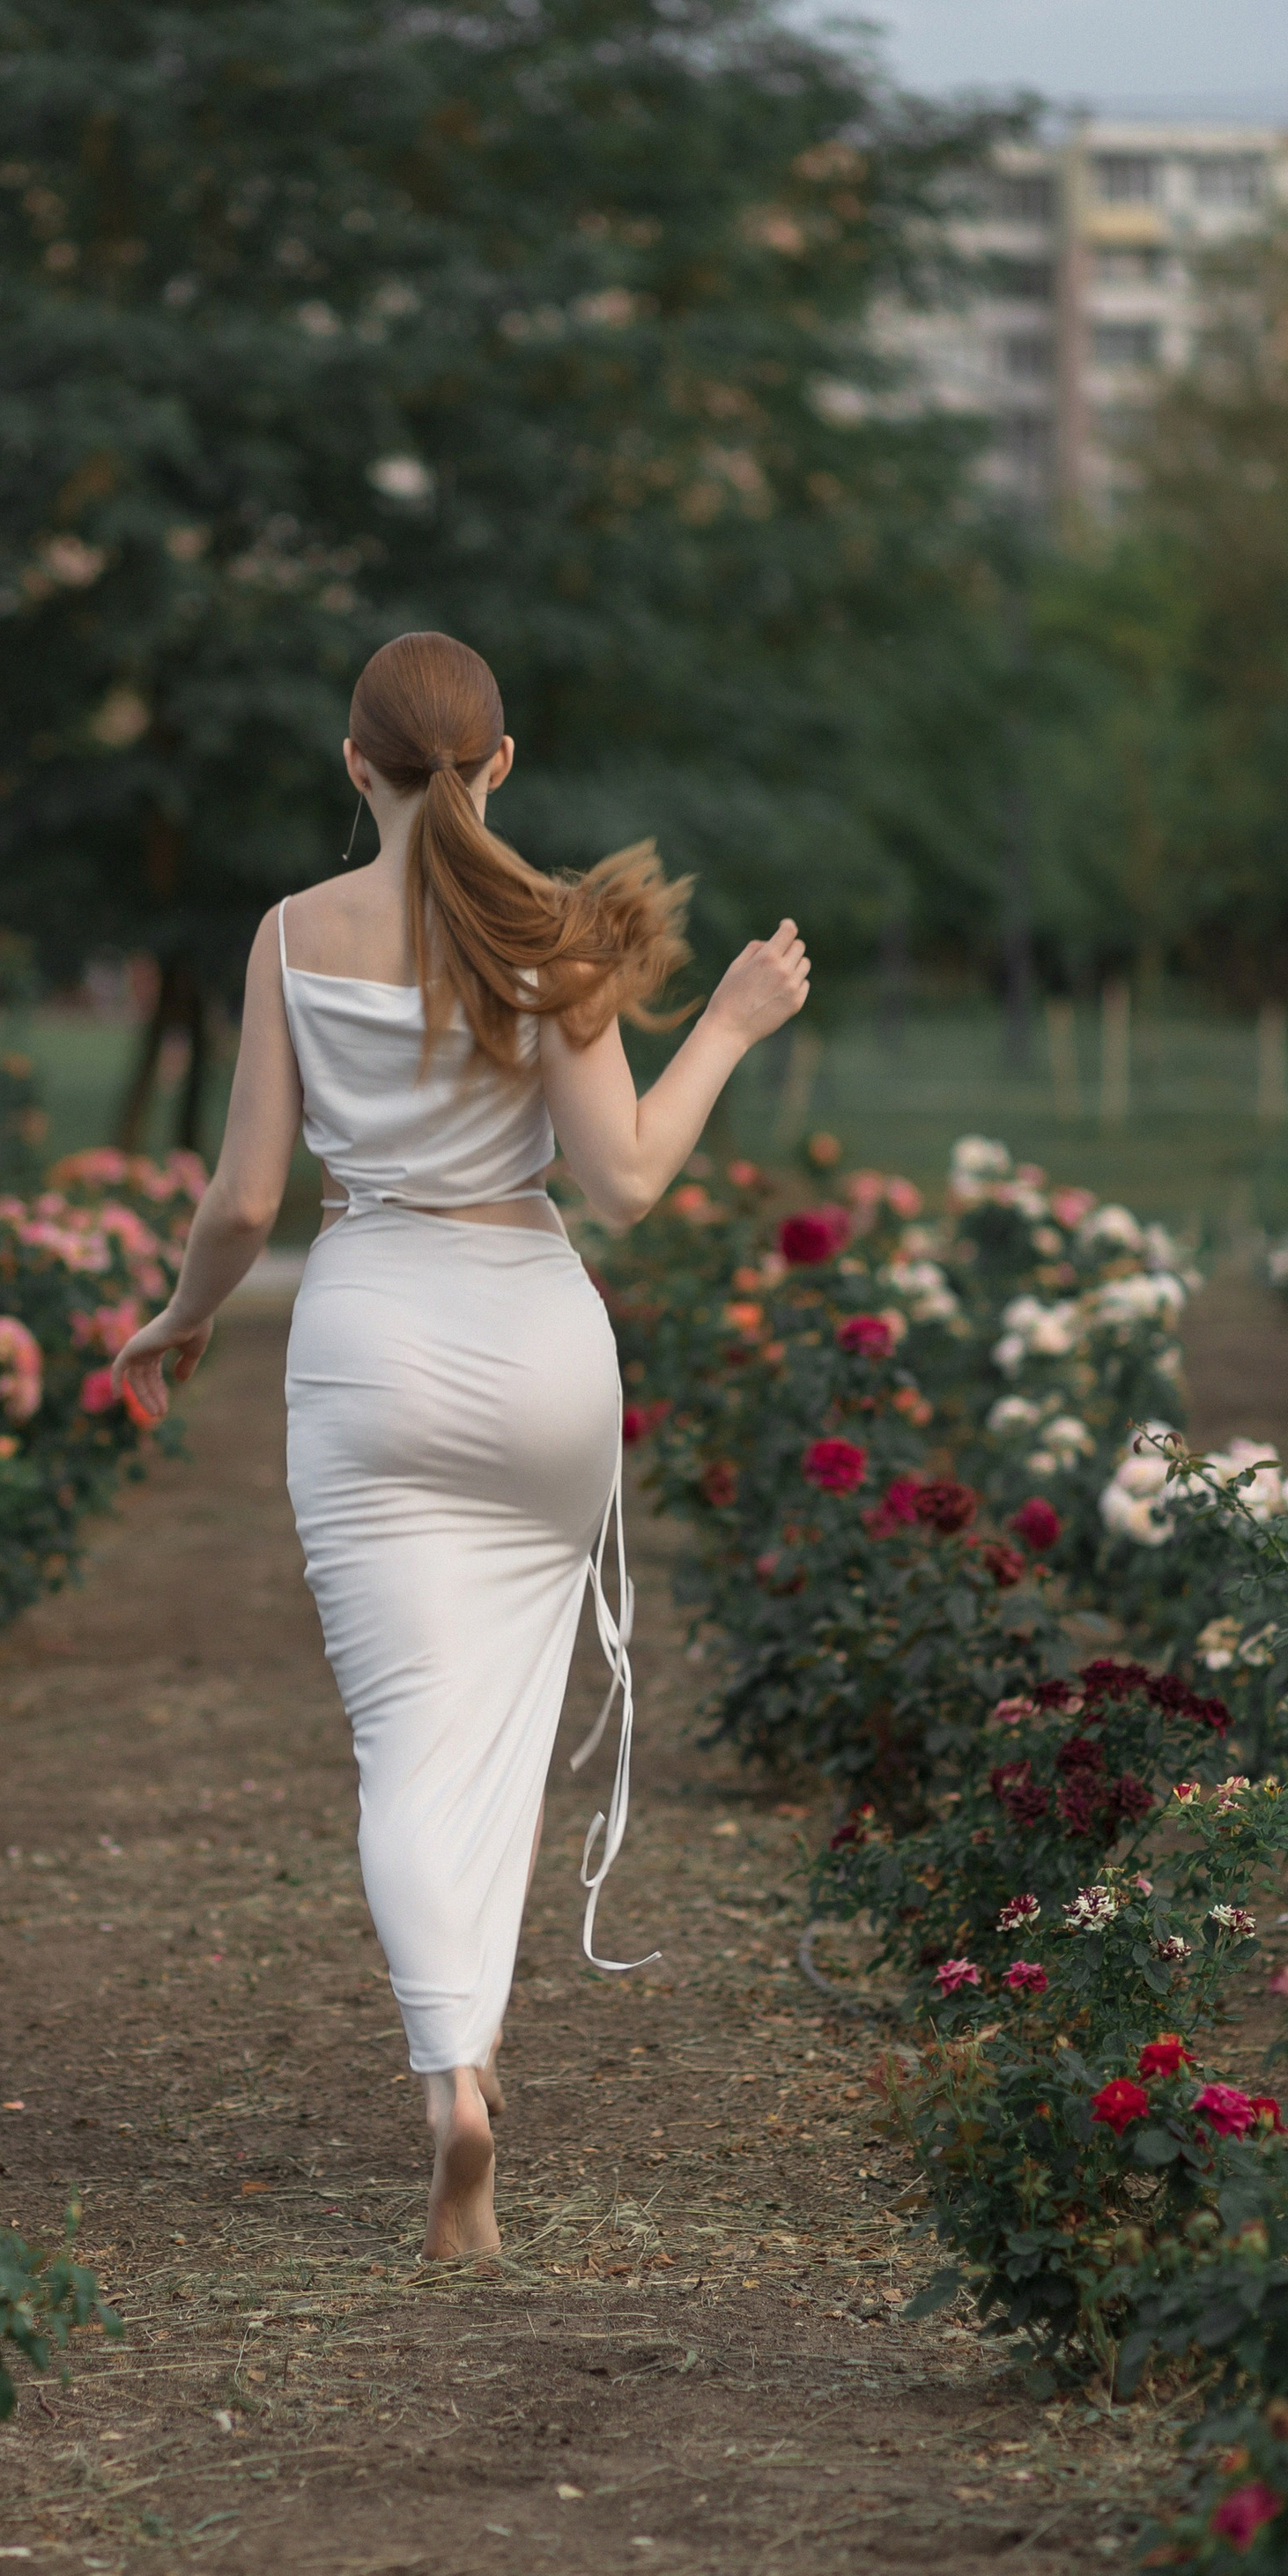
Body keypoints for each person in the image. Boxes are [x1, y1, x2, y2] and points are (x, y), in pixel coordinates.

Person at [110, 632, 809, 2258]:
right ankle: (473, 2059)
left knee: (412, 1746)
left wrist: (178, 1314)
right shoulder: (552, 932)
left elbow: (243, 1203)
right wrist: (728, 1026)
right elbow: (623, 1184)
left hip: (372, 1349)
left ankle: (454, 2083)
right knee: (498, 1730)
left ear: (352, 766)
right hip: (541, 1348)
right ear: (500, 766)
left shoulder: (291, 934)